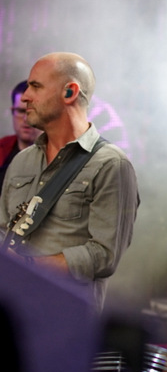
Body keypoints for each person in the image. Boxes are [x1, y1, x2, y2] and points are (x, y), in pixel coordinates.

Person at [0, 52, 138, 312]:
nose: (26, 96)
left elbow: (104, 255)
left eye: (35, 86)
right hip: (13, 311)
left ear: (69, 92)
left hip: (64, 319)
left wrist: (28, 267)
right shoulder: (21, 161)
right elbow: (4, 230)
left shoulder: (111, 164)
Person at [0, 80, 42, 192]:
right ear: (12, 111)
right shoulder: (2, 148)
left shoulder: (57, 154)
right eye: (21, 111)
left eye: (32, 111)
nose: (26, 119)